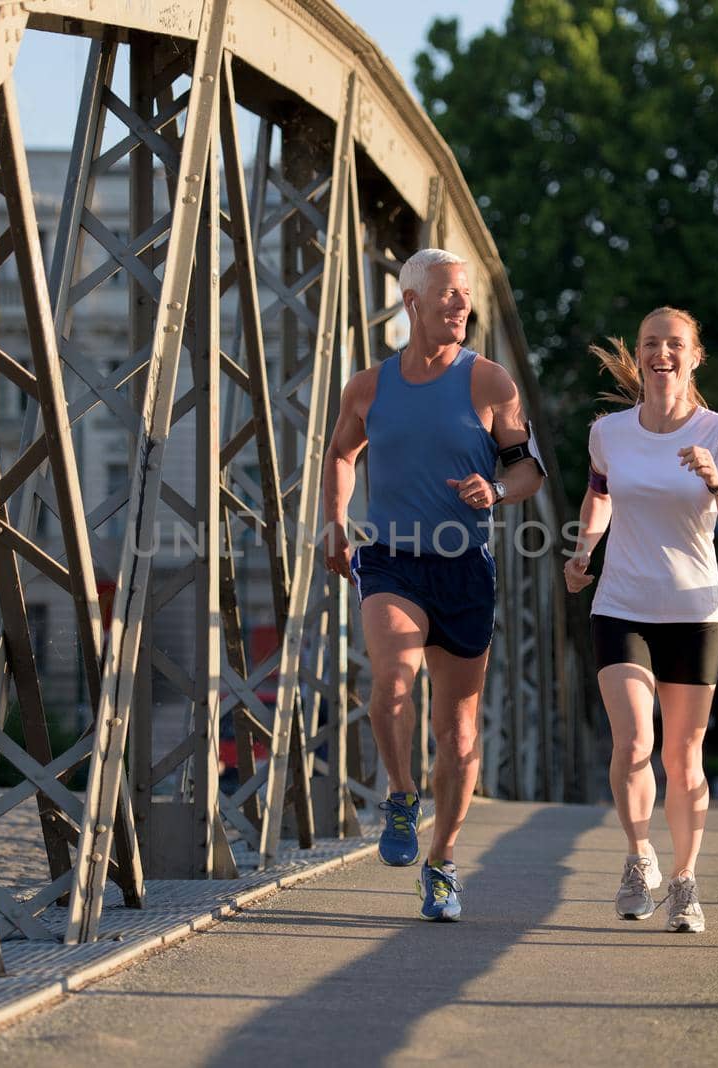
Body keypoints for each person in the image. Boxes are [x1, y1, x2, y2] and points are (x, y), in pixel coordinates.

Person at [322, 248, 546, 921]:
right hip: (392, 560)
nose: (460, 305)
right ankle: (399, 794)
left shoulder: (491, 383)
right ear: (411, 301)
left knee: (460, 731)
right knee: (388, 686)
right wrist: (335, 519)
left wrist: (498, 489)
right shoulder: (368, 387)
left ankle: (442, 860)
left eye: (466, 295)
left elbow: (529, 471)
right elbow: (340, 452)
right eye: (447, 294)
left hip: (464, 567)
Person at [564, 307, 718, 933]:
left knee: (683, 754)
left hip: (696, 611)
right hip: (622, 605)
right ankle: (639, 856)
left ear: (694, 356)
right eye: (651, 344)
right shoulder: (609, 433)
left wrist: (716, 481)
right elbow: (599, 492)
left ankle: (685, 881)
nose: (661, 353)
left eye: (675, 344)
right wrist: (586, 546)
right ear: (639, 355)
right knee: (634, 742)